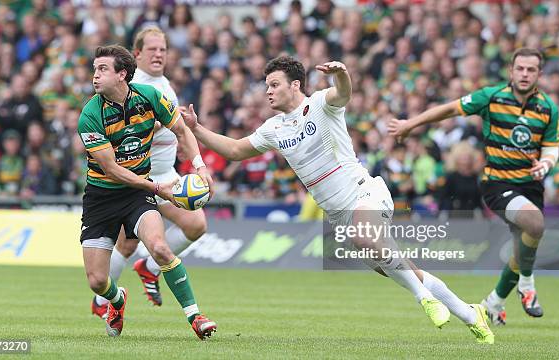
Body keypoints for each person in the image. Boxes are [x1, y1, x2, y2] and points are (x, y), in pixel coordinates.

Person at [181, 55, 493, 344]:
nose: (268, 92)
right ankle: (470, 313)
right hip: (340, 214)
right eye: (266, 86)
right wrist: (196, 128)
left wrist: (341, 74)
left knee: (366, 237)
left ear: (295, 85)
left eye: (274, 84)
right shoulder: (274, 128)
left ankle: (424, 299)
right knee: (405, 269)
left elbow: (342, 94)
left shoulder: (319, 103)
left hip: (364, 192)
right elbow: (235, 150)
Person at [388, 48, 559, 326]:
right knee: (536, 225)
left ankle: (493, 303)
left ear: (540, 74)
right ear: (511, 71)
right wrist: (412, 123)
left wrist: (546, 164)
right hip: (498, 183)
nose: (525, 74)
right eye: (520, 68)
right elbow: (449, 109)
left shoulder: (548, 108)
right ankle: (527, 285)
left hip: (531, 187)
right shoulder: (491, 97)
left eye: (531, 70)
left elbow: (551, 147)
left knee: (523, 247)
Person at [77, 44, 216, 339]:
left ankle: (196, 316)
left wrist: (200, 166)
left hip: (136, 195)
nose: (95, 76)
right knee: (97, 281)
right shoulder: (90, 115)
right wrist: (157, 188)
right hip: (101, 197)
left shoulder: (150, 97)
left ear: (122, 75)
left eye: (102, 69)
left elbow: (181, 130)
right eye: (94, 69)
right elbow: (112, 170)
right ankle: (116, 300)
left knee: (161, 248)